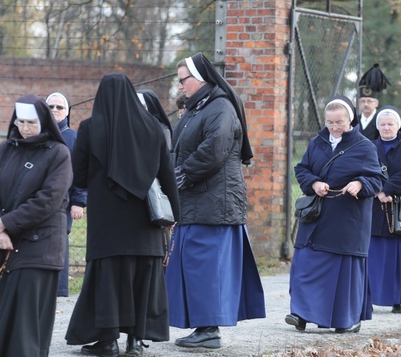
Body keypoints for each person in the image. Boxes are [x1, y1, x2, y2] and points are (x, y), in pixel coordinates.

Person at [65, 74, 180, 357]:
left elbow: (78, 176)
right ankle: (136, 341)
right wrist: (175, 213)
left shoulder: (90, 128)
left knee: (108, 279)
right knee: (143, 278)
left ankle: (107, 342)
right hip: (145, 222)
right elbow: (167, 174)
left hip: (107, 222)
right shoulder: (153, 127)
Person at [167, 53, 265, 349]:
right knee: (196, 266)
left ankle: (209, 330)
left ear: (200, 79)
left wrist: (182, 175)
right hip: (197, 201)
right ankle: (201, 326)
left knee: (207, 268)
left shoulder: (220, 106)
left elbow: (214, 149)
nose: (180, 86)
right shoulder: (198, 108)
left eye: (183, 79)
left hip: (215, 204)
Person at [0, 95, 72, 356]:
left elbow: (48, 201)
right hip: (5, 245)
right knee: (3, 319)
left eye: (31, 122)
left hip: (40, 248)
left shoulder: (59, 154)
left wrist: (5, 224)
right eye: (20, 122)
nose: (24, 128)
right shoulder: (7, 149)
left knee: (26, 328)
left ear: (43, 122)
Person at [286, 96, 384, 333]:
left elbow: (378, 179)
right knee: (305, 264)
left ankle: (346, 320)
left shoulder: (364, 146)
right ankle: (300, 314)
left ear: (350, 120)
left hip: (347, 219)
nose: (334, 127)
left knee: (342, 273)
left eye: (339, 122)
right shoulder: (317, 142)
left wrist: (360, 184)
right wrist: (314, 183)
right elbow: (302, 169)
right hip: (317, 217)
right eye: (330, 122)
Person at [368, 107, 401, 315]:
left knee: (398, 256)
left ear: (398, 126)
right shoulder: (369, 146)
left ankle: (397, 299)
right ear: (378, 126)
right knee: (374, 255)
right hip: (375, 205)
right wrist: (378, 190)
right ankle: (371, 296)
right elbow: (365, 169)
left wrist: (387, 189)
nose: (386, 127)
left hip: (399, 207)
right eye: (382, 124)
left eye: (390, 124)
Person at [45, 92, 86, 298]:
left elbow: (81, 172)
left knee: (59, 240)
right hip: (41, 199)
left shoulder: (72, 137)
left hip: (65, 200)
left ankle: (59, 289)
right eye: (50, 106)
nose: (54, 111)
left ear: (67, 111)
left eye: (59, 107)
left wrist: (79, 201)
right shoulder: (40, 133)